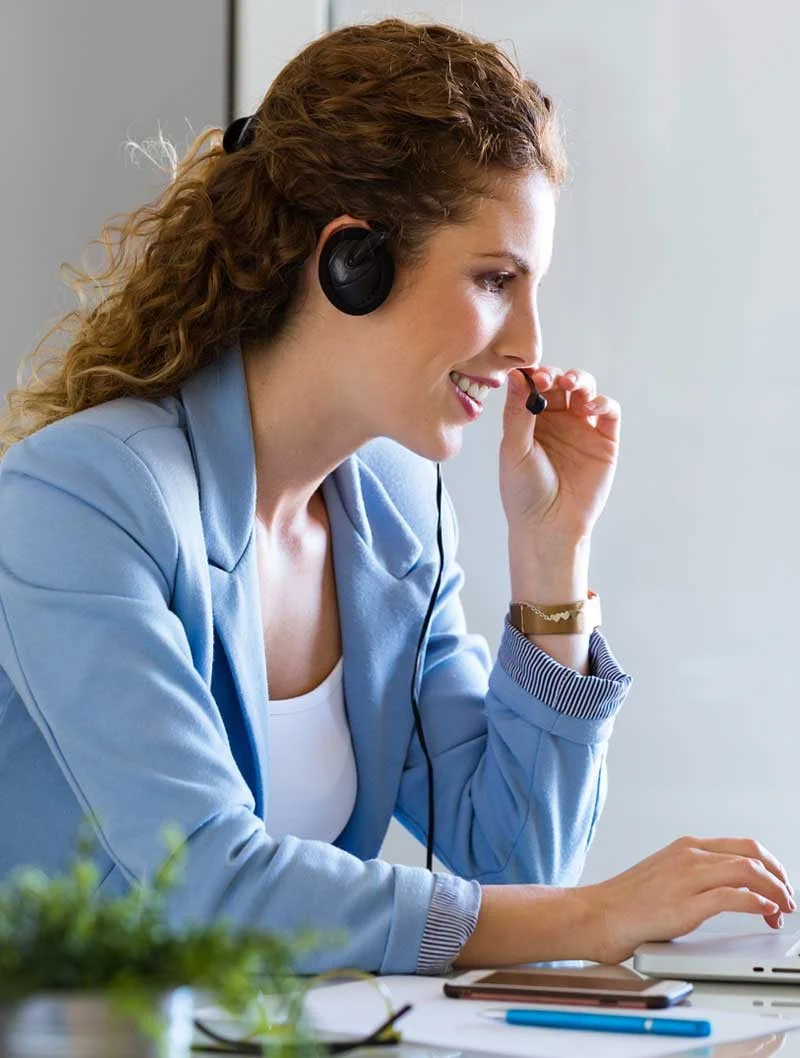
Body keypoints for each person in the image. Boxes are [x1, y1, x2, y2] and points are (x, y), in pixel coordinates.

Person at [0, 18, 793, 976]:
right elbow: (206, 885)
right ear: (352, 264)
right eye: (495, 280)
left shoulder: (396, 511)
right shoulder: (81, 498)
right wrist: (593, 917)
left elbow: (514, 862)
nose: (527, 345)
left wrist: (551, 559)